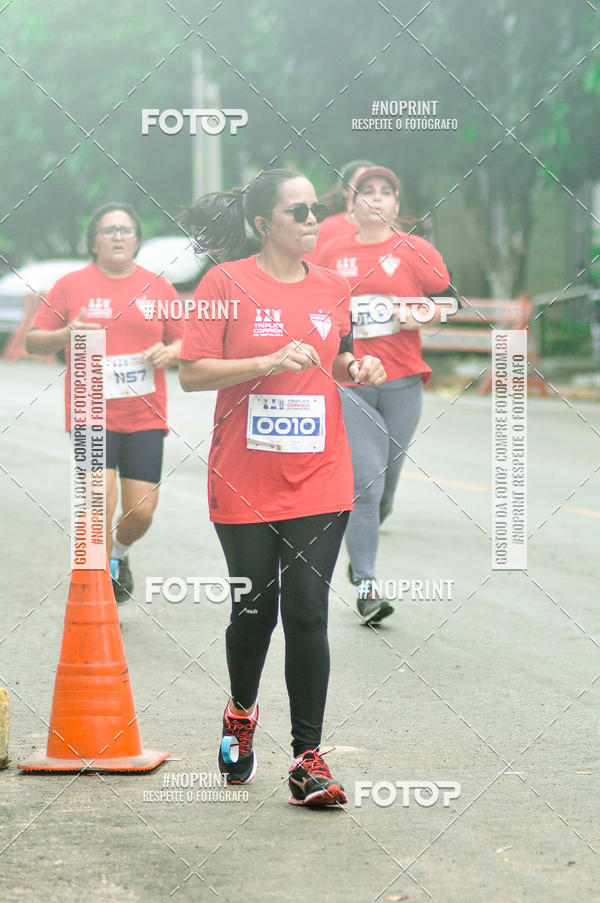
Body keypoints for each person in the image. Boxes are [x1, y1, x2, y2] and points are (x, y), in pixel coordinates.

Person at [178, 169, 385, 806]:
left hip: (321, 477)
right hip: (243, 479)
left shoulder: (332, 286)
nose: (311, 219)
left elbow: (341, 356)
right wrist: (267, 361)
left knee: (306, 612)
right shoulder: (225, 283)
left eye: (316, 209)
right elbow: (191, 374)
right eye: (297, 211)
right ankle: (241, 712)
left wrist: (360, 365)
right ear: (265, 223)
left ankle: (307, 758)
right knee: (253, 612)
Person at [317, 166, 455, 624]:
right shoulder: (330, 252)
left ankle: (364, 551)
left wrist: (428, 316)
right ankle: (369, 586)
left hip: (403, 381)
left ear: (397, 204)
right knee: (366, 483)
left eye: (385, 192)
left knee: (386, 489)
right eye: (366, 192)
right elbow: (312, 305)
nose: (376, 199)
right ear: (350, 203)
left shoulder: (417, 251)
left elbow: (447, 301)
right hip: (350, 379)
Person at [26, 203, 183, 602]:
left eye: (126, 230)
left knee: (141, 511)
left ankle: (120, 554)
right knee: (100, 501)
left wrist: (171, 352)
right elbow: (32, 339)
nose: (118, 236)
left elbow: (187, 340)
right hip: (90, 411)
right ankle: (95, 585)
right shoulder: (71, 284)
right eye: (109, 230)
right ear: (93, 241)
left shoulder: (158, 287)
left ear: (137, 240)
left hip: (145, 413)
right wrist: (66, 334)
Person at [304, 159, 373, 262]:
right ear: (345, 190)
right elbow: (311, 269)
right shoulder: (326, 228)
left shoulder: (387, 229)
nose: (367, 188)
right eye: (360, 182)